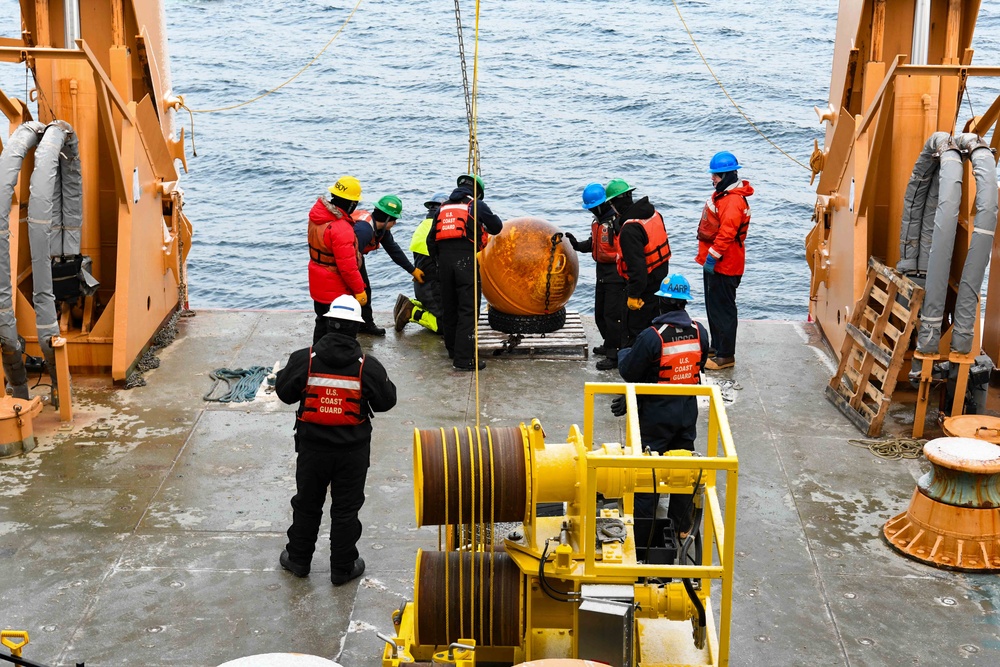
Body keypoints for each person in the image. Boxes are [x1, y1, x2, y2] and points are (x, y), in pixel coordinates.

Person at [275, 295, 397, 585]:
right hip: (352, 452)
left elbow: (284, 392)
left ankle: (298, 559)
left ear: (328, 323)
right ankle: (343, 567)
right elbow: (386, 401)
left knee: (307, 503)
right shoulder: (367, 366)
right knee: (345, 509)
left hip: (312, 449)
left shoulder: (304, 359)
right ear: (356, 329)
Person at [614, 274, 709, 529]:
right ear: (684, 303)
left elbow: (630, 371)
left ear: (661, 303)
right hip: (687, 410)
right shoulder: (701, 332)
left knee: (648, 472)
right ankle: (680, 529)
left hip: (657, 413)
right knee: (683, 468)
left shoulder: (653, 336)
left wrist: (624, 352)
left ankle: (644, 535)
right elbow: (698, 364)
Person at [427, 174, 504, 371]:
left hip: (443, 262)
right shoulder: (475, 205)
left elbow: (430, 240)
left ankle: (453, 350)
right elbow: (497, 227)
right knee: (468, 309)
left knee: (449, 307)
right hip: (465, 260)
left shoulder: (442, 208)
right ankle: (464, 359)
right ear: (477, 191)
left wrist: (439, 262)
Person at [696, 151, 754, 371]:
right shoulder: (726, 197)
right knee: (714, 307)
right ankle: (717, 346)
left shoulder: (732, 201)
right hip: (718, 263)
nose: (713, 179)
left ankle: (726, 355)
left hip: (725, 264)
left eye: (717, 175)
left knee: (724, 310)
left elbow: (727, 234)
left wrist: (712, 257)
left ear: (729, 175)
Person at [566, 183, 625, 371]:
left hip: (616, 275)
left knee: (612, 315)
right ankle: (609, 344)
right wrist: (576, 245)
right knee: (600, 313)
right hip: (602, 273)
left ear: (601, 205)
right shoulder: (597, 223)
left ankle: (614, 354)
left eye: (592, 206)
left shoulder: (617, 223)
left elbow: (624, 249)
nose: (590, 210)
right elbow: (594, 244)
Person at [606, 178, 671, 348]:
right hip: (660, 279)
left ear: (615, 204)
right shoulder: (654, 214)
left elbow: (637, 269)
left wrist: (633, 295)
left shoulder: (630, 229)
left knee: (634, 329)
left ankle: (635, 366)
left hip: (643, 285)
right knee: (653, 325)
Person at [307, 175, 368, 344]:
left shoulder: (316, 217)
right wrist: (359, 290)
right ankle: (336, 361)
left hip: (317, 280)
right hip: (335, 287)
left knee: (321, 321)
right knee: (340, 328)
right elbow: (347, 267)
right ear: (352, 203)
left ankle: (316, 356)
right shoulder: (341, 229)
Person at [352, 195, 424, 336]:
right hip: (346, 260)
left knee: (365, 288)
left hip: (356, 258)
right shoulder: (363, 230)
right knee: (354, 291)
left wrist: (412, 270)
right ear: (386, 219)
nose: (395, 223)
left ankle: (365, 325)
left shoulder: (381, 230)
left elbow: (393, 250)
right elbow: (348, 257)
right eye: (394, 219)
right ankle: (348, 326)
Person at [394, 193, 447, 333]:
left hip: (423, 288)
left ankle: (410, 304)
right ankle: (412, 312)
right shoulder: (439, 230)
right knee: (445, 326)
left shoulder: (423, 226)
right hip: (432, 288)